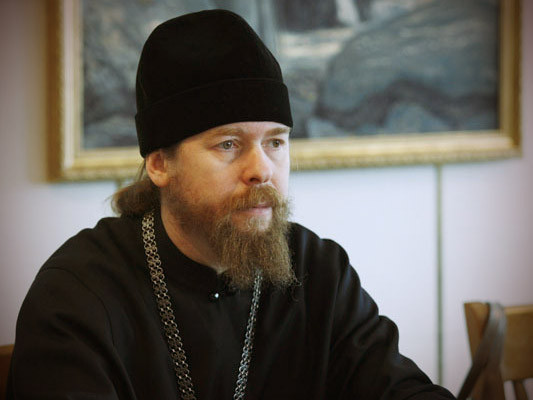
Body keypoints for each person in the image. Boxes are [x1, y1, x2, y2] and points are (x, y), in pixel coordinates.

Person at [7, 9, 456, 400]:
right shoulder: (77, 296)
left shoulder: (319, 270)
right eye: (228, 144)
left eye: (275, 142)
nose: (261, 170)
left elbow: (399, 389)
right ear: (160, 164)